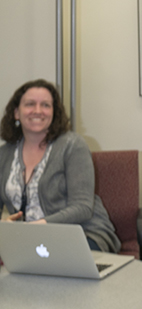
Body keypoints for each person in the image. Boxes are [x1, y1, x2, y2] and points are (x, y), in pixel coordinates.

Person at [0, 79, 120, 253]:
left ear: (54, 113)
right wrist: (5, 225)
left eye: (46, 105)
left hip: (82, 232)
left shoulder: (73, 145)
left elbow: (83, 208)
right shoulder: (4, 154)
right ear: (16, 113)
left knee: (47, 270)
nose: (38, 111)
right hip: (28, 239)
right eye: (30, 104)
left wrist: (36, 226)